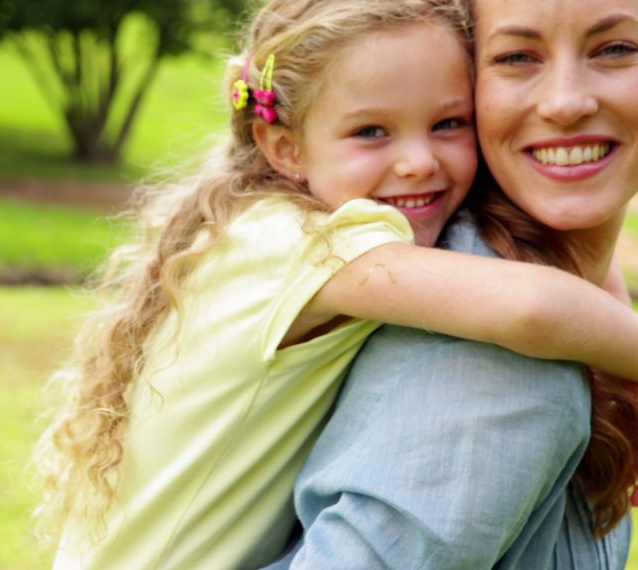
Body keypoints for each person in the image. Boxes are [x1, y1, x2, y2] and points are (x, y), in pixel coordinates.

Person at [32, 0, 638, 568]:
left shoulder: (279, 229)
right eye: (371, 131)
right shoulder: (300, 244)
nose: (417, 163)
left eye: (447, 123)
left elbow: (570, 279)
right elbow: (532, 309)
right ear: (285, 148)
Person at [270, 0, 638, 567]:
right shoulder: (495, 362)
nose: (567, 102)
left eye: (617, 48)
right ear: (468, 81)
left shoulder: (584, 290)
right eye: (517, 56)